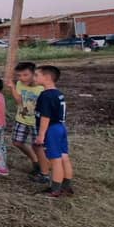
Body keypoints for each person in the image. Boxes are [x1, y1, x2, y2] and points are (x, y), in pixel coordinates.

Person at [35, 65, 73, 197]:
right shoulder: (58, 93)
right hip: (61, 127)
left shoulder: (46, 95)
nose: (35, 78)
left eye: (37, 75)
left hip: (51, 129)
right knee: (64, 157)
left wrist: (41, 135)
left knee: (55, 160)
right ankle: (67, 186)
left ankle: (55, 189)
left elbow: (46, 117)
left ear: (46, 78)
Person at [11, 62, 47, 183]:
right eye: (19, 75)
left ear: (34, 74)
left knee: (38, 146)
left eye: (25, 75)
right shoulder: (19, 84)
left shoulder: (42, 87)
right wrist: (12, 88)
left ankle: (43, 170)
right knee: (17, 142)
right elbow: (19, 101)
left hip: (36, 121)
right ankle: (35, 161)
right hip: (22, 118)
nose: (22, 78)